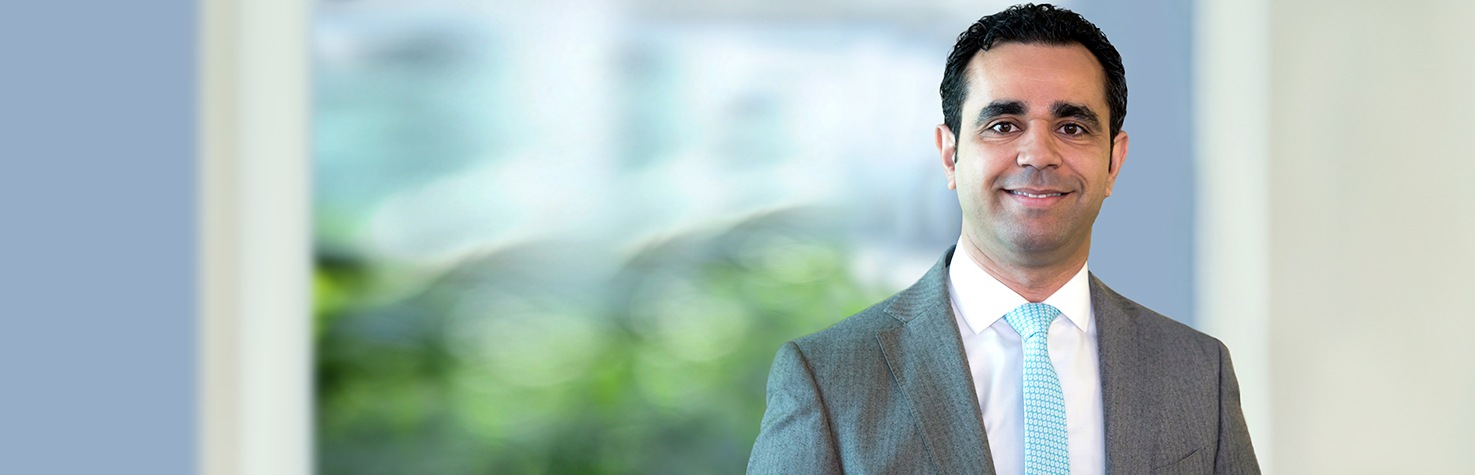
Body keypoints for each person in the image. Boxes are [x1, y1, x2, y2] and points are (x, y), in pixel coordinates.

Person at [746, 4, 1258, 474]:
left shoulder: (1198, 371)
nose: (1038, 155)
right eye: (1004, 125)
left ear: (1114, 161)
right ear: (950, 155)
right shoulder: (830, 378)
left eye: (1072, 128)